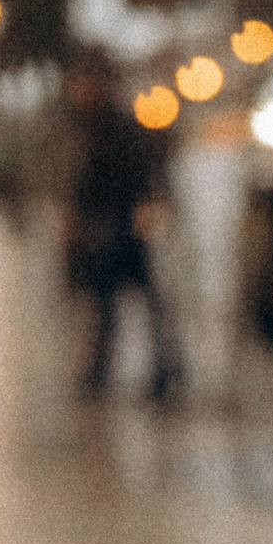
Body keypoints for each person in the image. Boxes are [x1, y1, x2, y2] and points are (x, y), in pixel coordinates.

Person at [63, 51, 181, 401]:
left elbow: (124, 177)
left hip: (119, 227)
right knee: (117, 305)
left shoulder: (113, 127)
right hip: (113, 227)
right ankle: (150, 370)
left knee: (126, 303)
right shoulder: (92, 125)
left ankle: (159, 370)